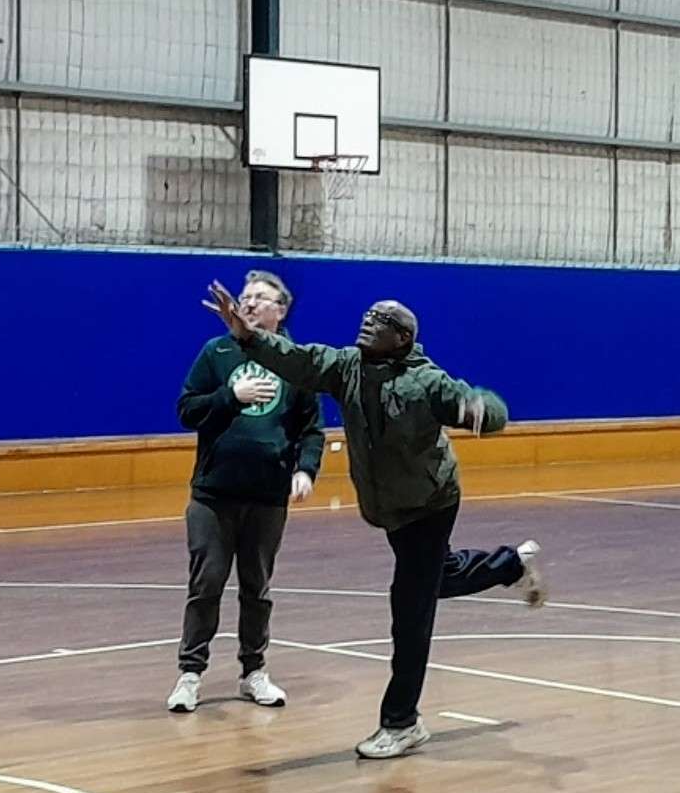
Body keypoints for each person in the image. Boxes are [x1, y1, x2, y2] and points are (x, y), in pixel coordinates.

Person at [203, 283, 547, 758]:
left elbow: (491, 411)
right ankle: (512, 565)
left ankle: (402, 722)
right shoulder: (347, 367)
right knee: (433, 578)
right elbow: (298, 360)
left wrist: (480, 410)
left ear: (402, 339)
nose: (367, 323)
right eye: (366, 316)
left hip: (430, 502)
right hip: (390, 507)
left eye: (379, 322)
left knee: (410, 609)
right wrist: (249, 337)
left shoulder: (426, 381)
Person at [167, 271, 325, 715]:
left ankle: (254, 671)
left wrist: (306, 470)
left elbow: (311, 429)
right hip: (214, 494)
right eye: (245, 297)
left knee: (257, 587)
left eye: (261, 298)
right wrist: (231, 397)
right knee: (207, 582)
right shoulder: (216, 352)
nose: (250, 304)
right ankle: (190, 674)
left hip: (268, 496)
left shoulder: (295, 361)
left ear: (282, 310)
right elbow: (187, 410)